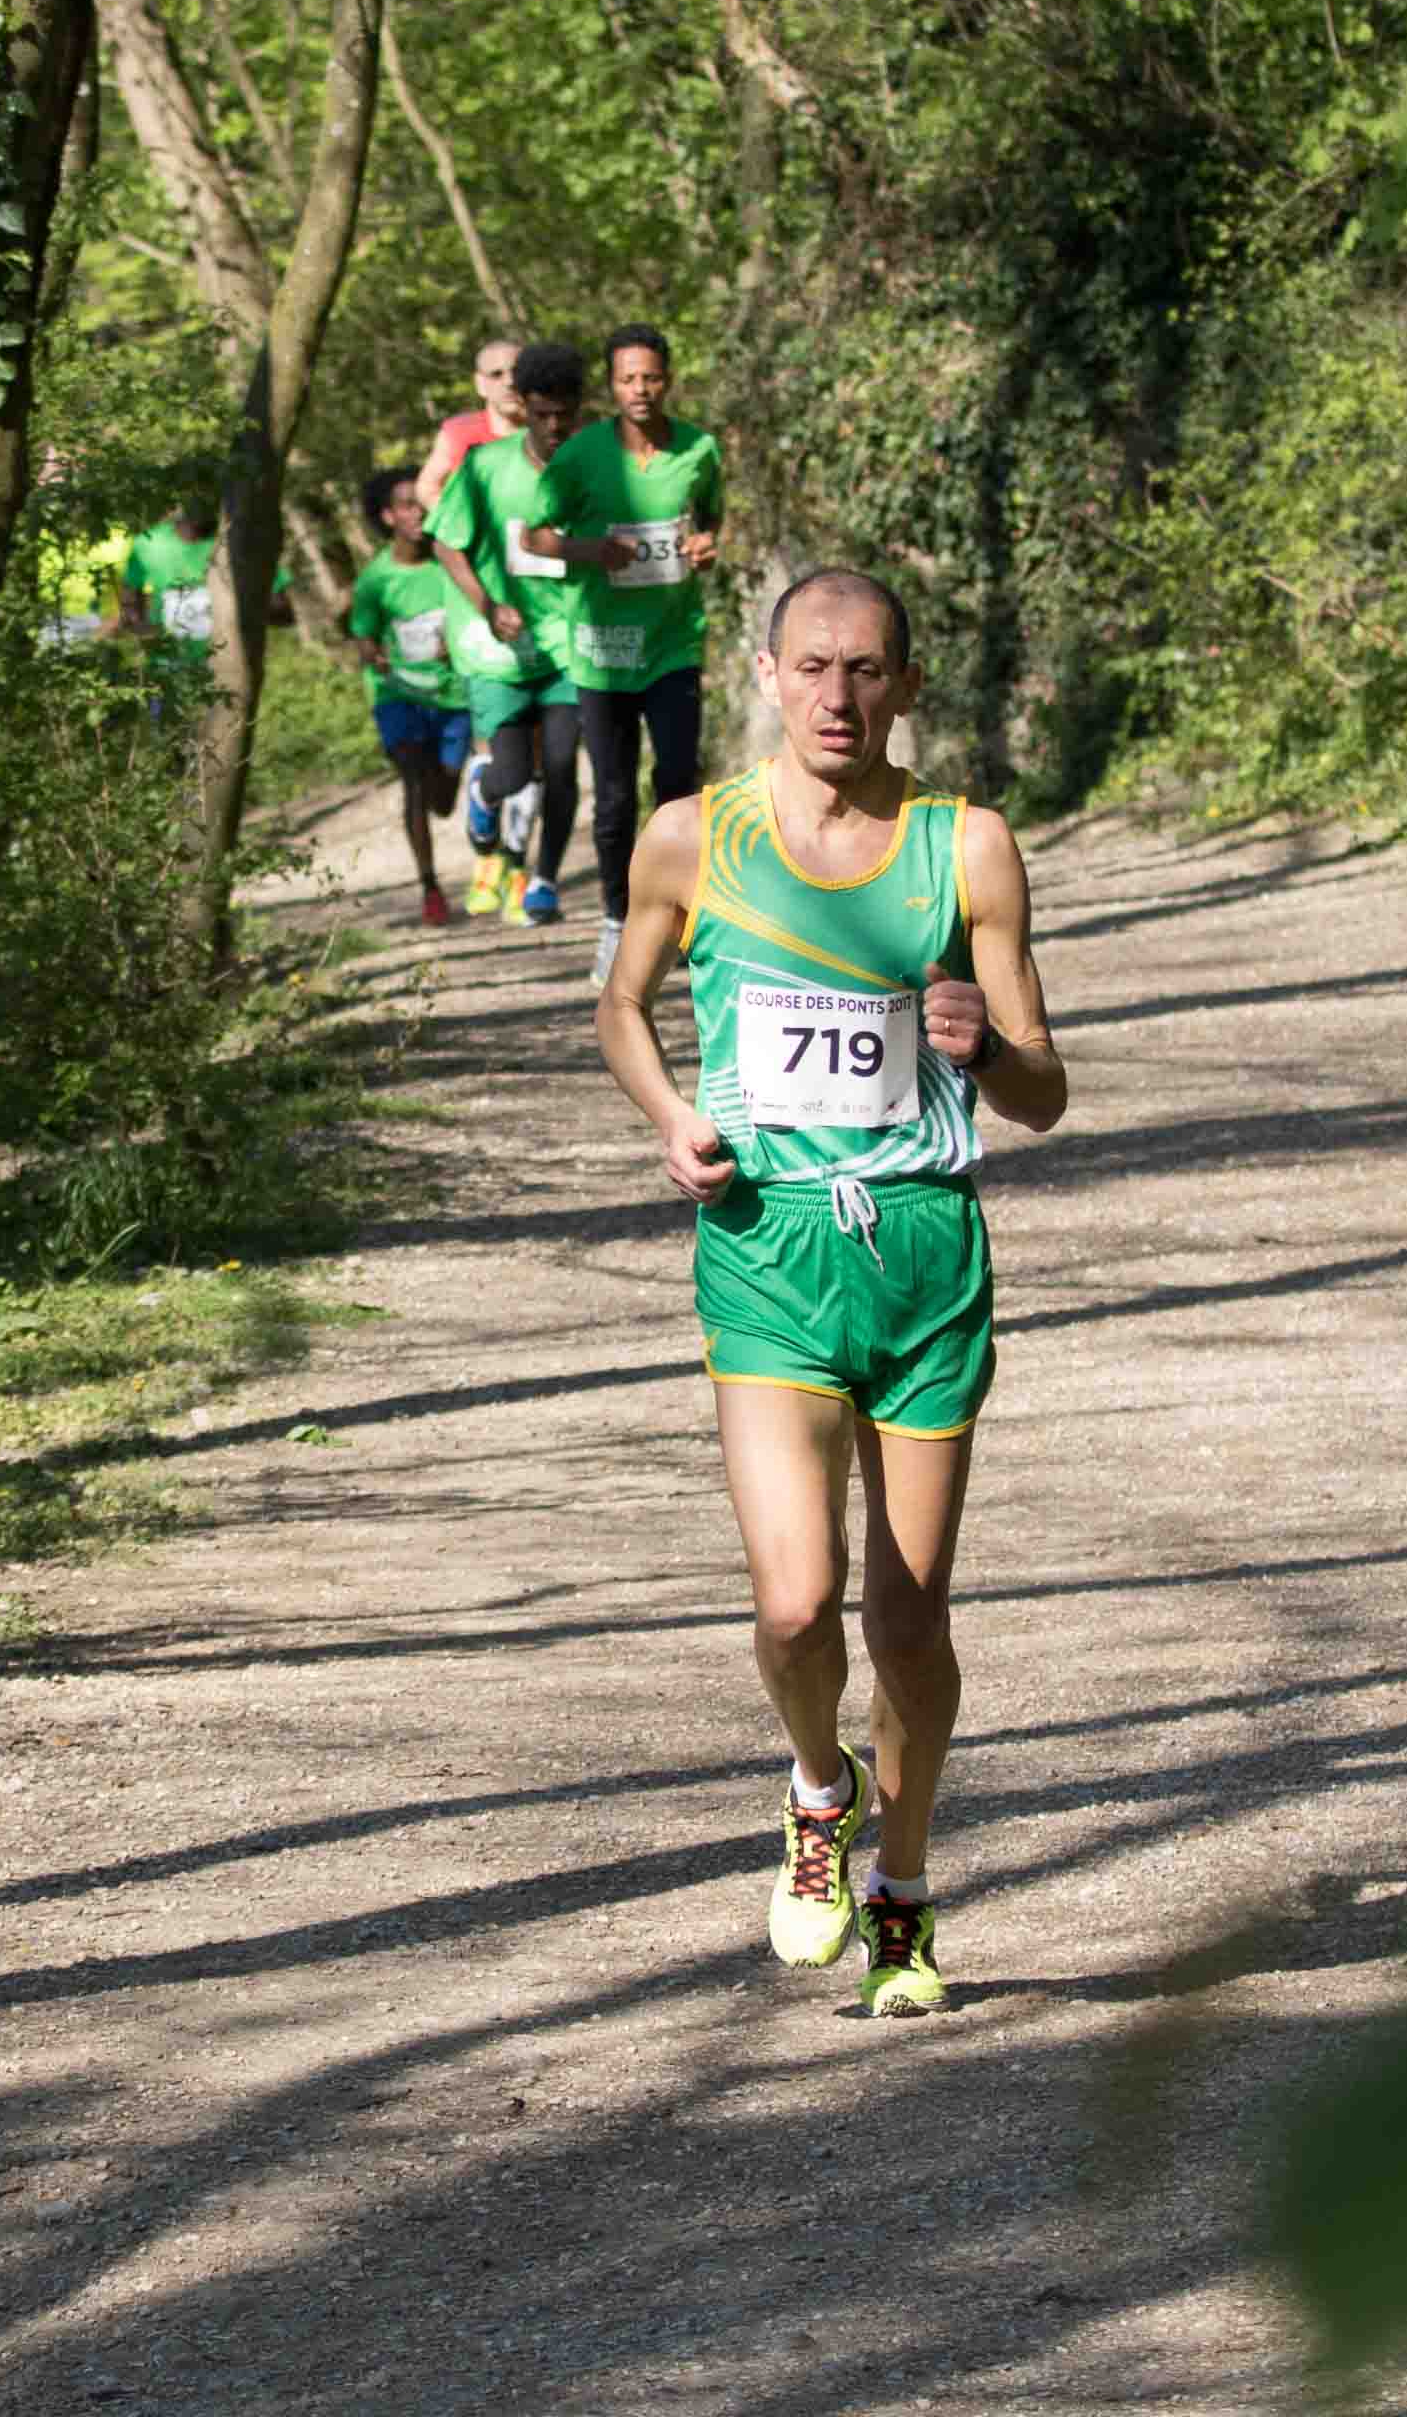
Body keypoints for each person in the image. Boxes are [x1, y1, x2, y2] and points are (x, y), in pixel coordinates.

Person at [593, 570, 1065, 2018]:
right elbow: (622, 1003)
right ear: (766, 675)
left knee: (908, 1626)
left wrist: (986, 1048)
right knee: (798, 1607)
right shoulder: (692, 836)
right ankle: (819, 1790)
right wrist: (670, 1116)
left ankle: (903, 1897)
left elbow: (1046, 1092)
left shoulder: (966, 847)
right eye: (811, 667)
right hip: (767, 1248)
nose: (838, 697)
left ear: (907, 686)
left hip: (923, 1256)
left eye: (866, 670)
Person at [520, 322, 730, 942]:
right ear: (611, 387)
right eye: (627, 379)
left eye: (651, 378)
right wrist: (591, 550)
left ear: (669, 380)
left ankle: (680, 916)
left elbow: (710, 519)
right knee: (614, 799)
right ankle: (617, 919)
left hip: (672, 642)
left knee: (677, 784)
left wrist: (705, 544)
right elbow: (533, 536)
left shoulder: (699, 449)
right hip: (604, 651)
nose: (640, 390)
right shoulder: (581, 455)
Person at [428, 342, 592, 926]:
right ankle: (484, 791)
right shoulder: (484, 467)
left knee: (563, 766)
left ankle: (544, 881)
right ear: (524, 406)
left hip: (567, 647)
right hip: (498, 653)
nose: (554, 427)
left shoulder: (595, 466)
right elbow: (446, 542)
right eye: (542, 414)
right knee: (514, 773)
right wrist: (487, 604)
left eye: (564, 415)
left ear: (579, 409)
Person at [337, 467, 469, 927]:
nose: (418, 513)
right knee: (413, 780)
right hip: (397, 694)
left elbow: (474, 610)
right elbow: (363, 635)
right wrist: (373, 655)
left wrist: (457, 641)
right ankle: (430, 887)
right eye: (407, 505)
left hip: (451, 695)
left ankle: (444, 790)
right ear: (388, 516)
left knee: (444, 799)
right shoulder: (375, 579)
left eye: (422, 503)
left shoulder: (450, 563)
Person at [117, 495, 220, 713]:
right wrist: (143, 630)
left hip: (220, 661)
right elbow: (129, 597)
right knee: (166, 722)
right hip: (165, 661)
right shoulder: (150, 542)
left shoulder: (230, 543)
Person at [417, 335, 521, 504]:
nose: (510, 382)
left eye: (517, 372)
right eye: (496, 374)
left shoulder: (552, 430)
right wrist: (458, 517)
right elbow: (427, 487)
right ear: (480, 384)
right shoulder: (459, 432)